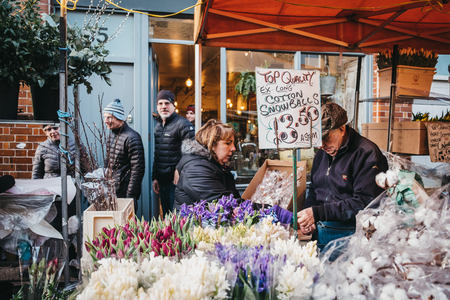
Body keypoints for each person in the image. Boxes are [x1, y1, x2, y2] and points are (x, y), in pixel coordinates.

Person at [297, 102, 388, 250]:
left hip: (349, 238)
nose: (321, 145)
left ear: (341, 129)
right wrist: (310, 217)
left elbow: (364, 203)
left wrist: (317, 213)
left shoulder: (366, 153)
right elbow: (315, 188)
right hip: (320, 234)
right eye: (317, 139)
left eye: (326, 137)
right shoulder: (322, 153)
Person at [174, 119, 241, 209]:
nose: (233, 148)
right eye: (228, 143)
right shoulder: (196, 170)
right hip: (196, 222)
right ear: (212, 144)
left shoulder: (213, 165)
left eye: (234, 143)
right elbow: (225, 204)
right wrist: (264, 208)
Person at [152, 90, 195, 216]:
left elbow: (192, 152)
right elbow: (158, 154)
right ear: (157, 107)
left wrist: (179, 168)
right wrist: (155, 177)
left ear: (173, 105)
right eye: (160, 103)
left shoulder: (183, 124)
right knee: (166, 216)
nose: (163, 106)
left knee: (177, 220)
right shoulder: (158, 126)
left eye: (167, 103)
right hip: (163, 181)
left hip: (177, 183)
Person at [104, 99, 145, 211]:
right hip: (112, 191)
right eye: (105, 117)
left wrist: (130, 196)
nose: (105, 121)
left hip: (124, 192)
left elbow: (138, 169)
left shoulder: (132, 137)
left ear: (119, 117)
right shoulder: (112, 134)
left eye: (109, 117)